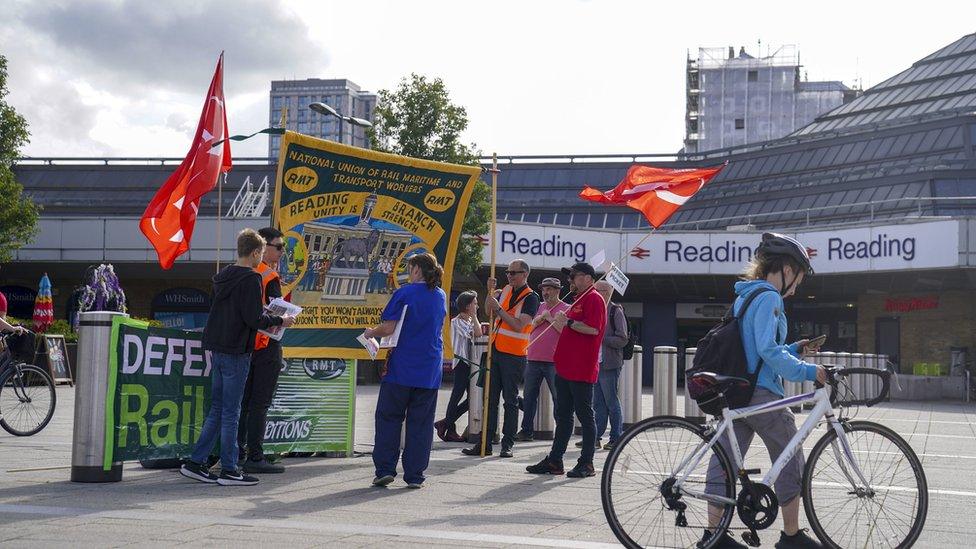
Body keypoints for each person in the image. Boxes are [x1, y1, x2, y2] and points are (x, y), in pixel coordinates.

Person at [702, 233, 827, 549]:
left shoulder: (745, 295)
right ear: (786, 269)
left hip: (738, 389)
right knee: (790, 452)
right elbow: (768, 352)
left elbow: (756, 351)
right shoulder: (769, 296)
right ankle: (791, 535)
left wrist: (794, 350)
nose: (797, 286)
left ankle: (713, 534)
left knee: (725, 459)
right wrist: (811, 371)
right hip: (761, 394)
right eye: (798, 277)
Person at [180, 229, 295, 487]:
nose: (261, 259)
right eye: (261, 254)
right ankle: (230, 469)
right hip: (236, 350)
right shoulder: (251, 279)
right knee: (232, 411)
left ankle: (196, 462)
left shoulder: (223, 276)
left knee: (218, 408)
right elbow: (254, 318)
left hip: (217, 347)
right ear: (255, 252)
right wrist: (281, 319)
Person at [365, 252, 447, 489]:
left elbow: (388, 328)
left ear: (417, 270)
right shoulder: (440, 295)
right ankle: (415, 474)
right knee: (421, 423)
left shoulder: (405, 293)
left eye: (410, 269)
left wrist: (371, 333)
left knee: (389, 417)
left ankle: (385, 469)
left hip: (402, 366)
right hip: (429, 368)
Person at [526, 262, 606, 478]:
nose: (571, 280)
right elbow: (565, 327)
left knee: (584, 415)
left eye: (575, 276)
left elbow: (594, 329)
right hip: (565, 366)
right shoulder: (577, 299)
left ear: (588, 278)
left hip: (581, 367)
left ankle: (587, 463)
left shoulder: (594, 298)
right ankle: (555, 460)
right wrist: (563, 323)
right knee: (563, 415)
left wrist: (568, 323)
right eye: (570, 277)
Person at [463, 259, 539, 458]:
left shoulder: (531, 297)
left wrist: (498, 309)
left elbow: (519, 325)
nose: (510, 276)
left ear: (525, 274)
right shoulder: (504, 290)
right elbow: (489, 312)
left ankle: (508, 443)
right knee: (490, 399)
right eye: (508, 272)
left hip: (514, 354)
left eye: (514, 272)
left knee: (510, 400)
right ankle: (484, 443)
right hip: (495, 350)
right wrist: (489, 293)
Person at [237, 227, 289, 474]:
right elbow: (276, 313)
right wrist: (286, 319)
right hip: (266, 345)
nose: (282, 251)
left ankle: (237, 452)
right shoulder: (268, 276)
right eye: (278, 246)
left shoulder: (237, 271)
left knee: (243, 402)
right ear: (262, 247)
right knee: (259, 403)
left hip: (242, 344)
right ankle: (255, 456)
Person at [516, 277, 568, 442]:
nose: (545, 293)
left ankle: (561, 432)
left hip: (554, 361)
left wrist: (550, 319)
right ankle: (526, 431)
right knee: (529, 397)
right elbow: (527, 328)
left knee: (558, 398)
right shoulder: (539, 307)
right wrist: (540, 318)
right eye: (544, 289)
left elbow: (566, 332)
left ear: (557, 291)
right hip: (533, 358)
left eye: (549, 289)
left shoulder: (566, 308)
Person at [434, 291, 483, 442]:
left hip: (471, 363)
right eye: (475, 303)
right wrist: (475, 317)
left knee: (472, 398)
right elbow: (478, 333)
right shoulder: (457, 322)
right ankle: (448, 426)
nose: (477, 306)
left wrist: (473, 317)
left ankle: (445, 423)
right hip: (462, 362)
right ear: (468, 306)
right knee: (457, 395)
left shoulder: (468, 320)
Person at [592, 280, 628, 451]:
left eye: (597, 290)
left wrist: (601, 339)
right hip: (595, 363)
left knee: (611, 401)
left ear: (606, 292)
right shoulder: (595, 309)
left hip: (609, 363)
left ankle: (616, 437)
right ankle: (596, 436)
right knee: (597, 402)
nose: (594, 293)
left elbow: (622, 338)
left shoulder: (615, 310)